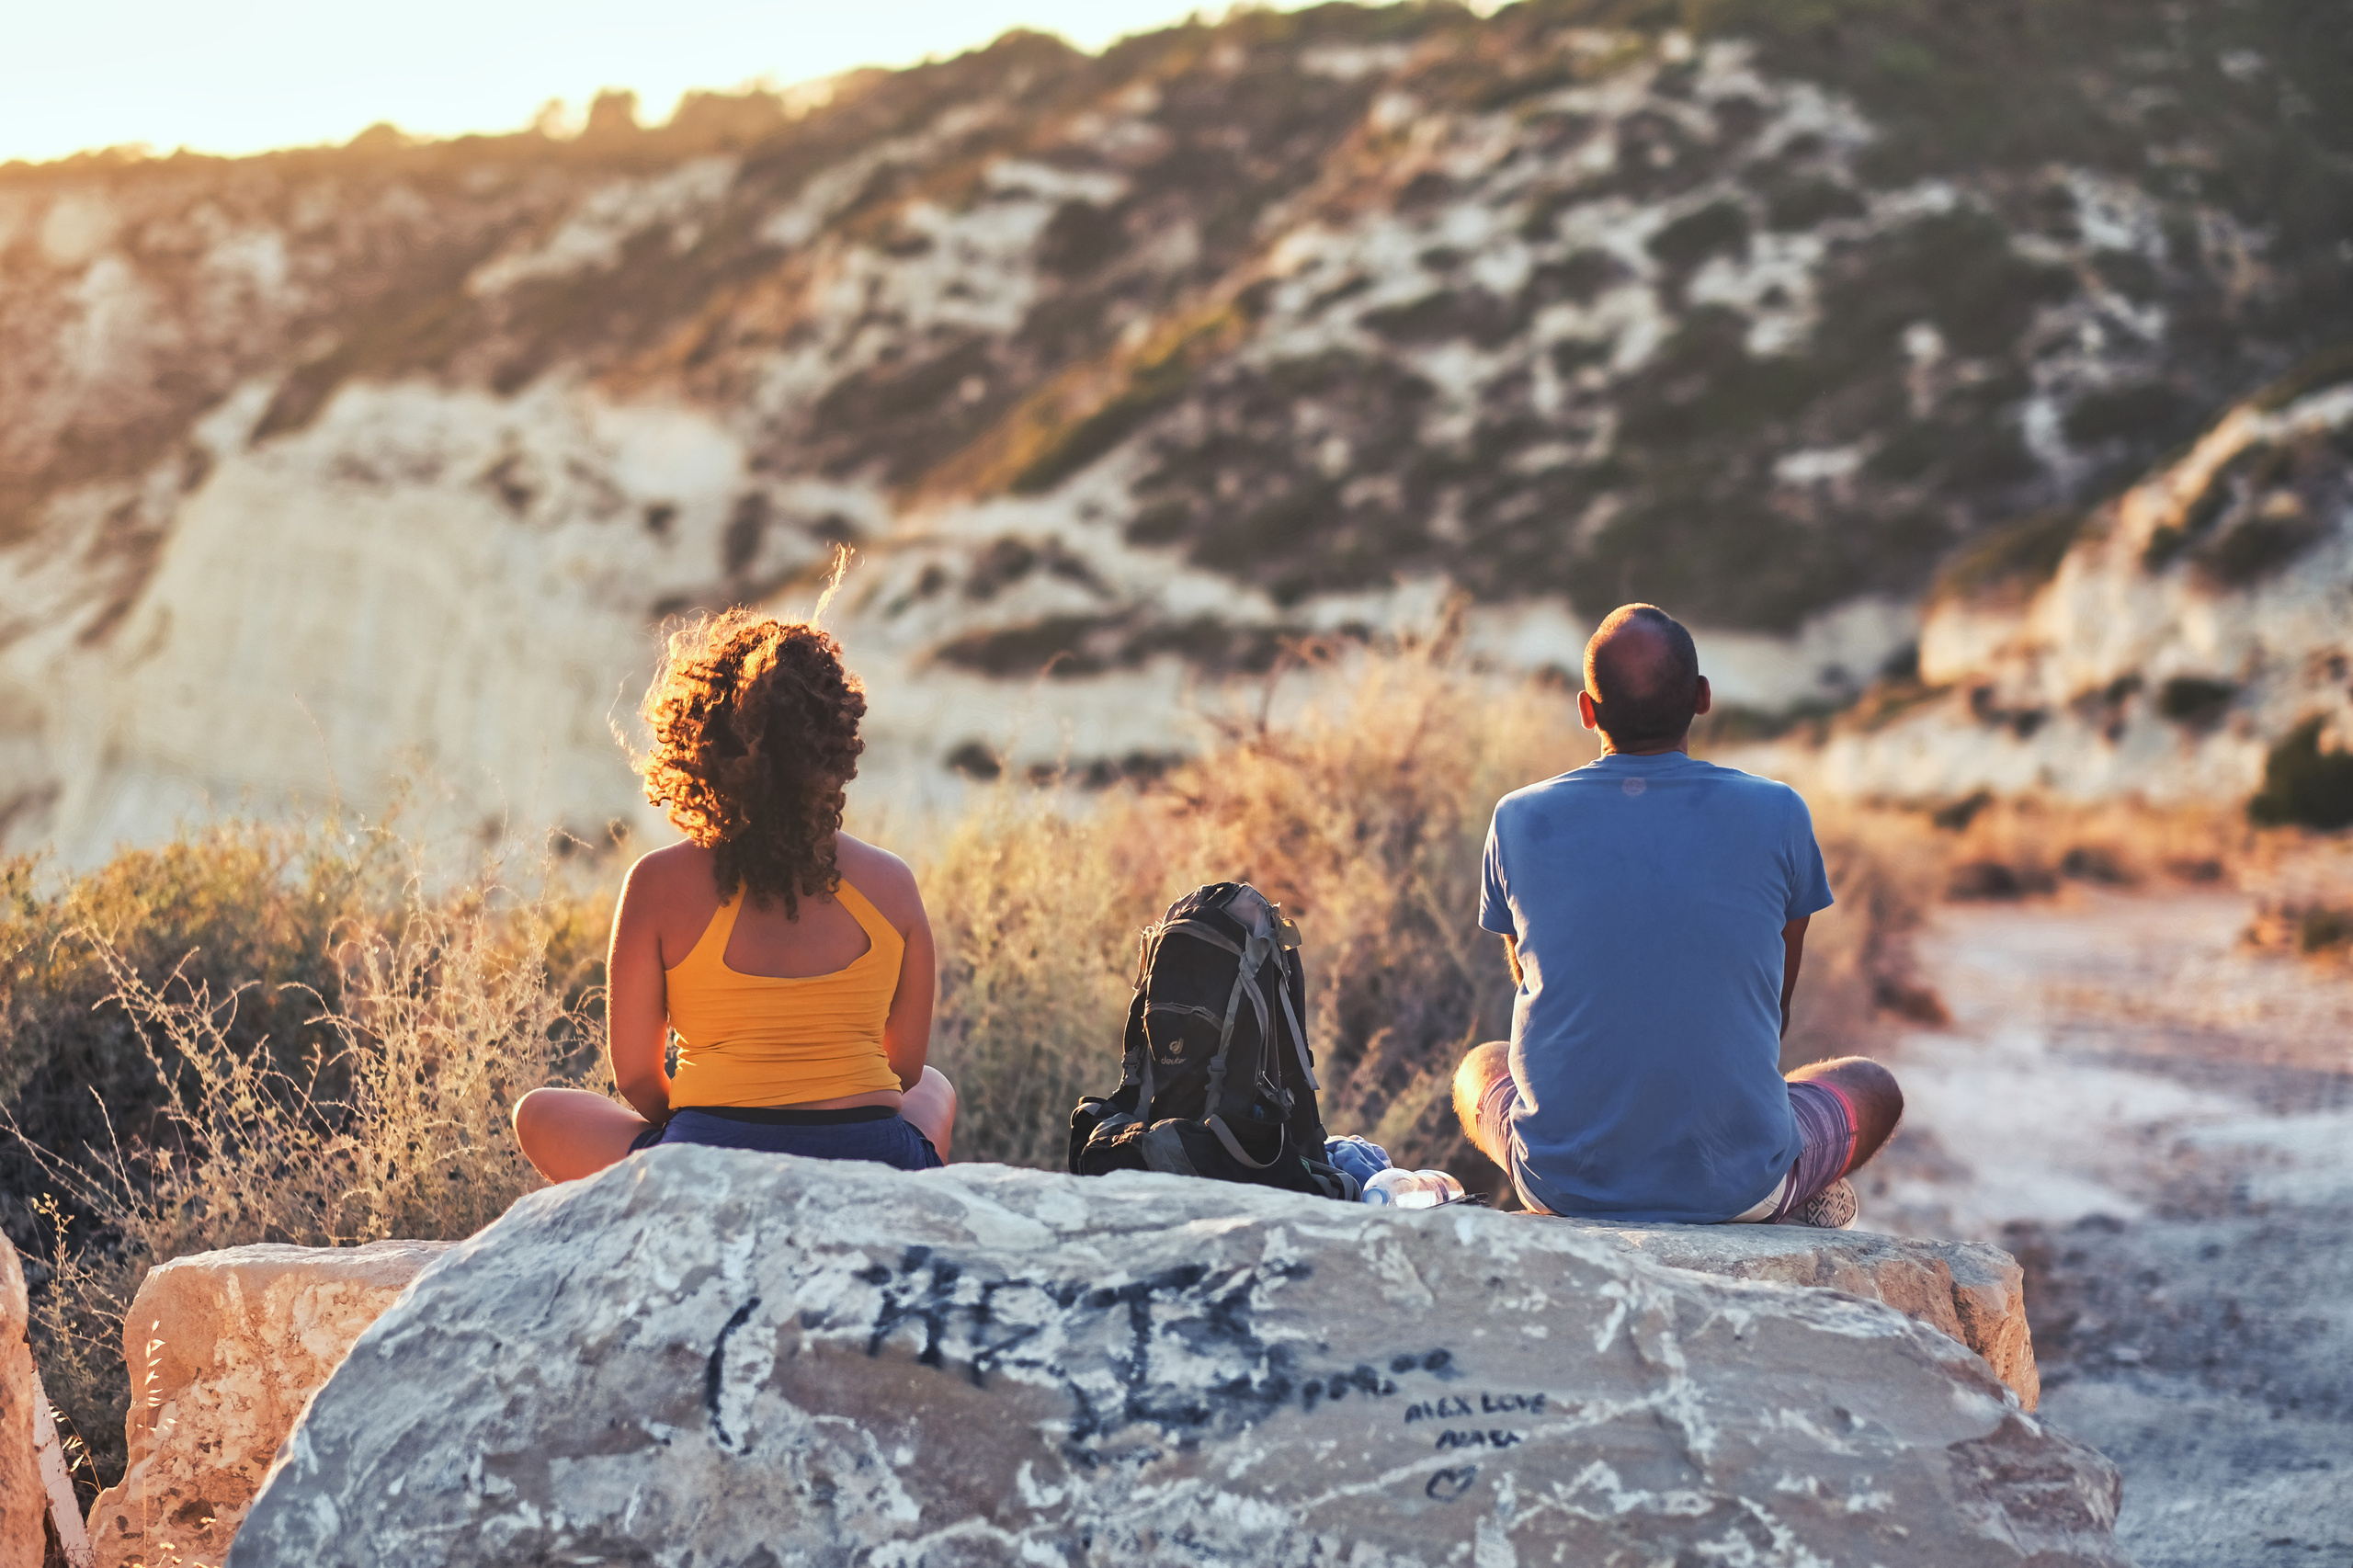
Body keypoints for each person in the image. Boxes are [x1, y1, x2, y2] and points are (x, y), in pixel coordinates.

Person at [1451, 603, 1901, 1227]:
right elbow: (1774, 1006)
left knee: (1480, 1067)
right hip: (1738, 1183)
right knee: (1873, 1086)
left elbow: (1529, 976)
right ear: (1702, 698)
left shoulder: (1517, 818)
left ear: (1587, 710)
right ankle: (1792, 1187)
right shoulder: (1779, 812)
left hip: (1560, 1186)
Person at [513, 610, 956, 1181]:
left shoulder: (656, 882)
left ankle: (674, 1187)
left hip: (709, 1160)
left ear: (698, 745)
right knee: (936, 1089)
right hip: (874, 1158)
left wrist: (704, 1133)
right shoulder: (892, 882)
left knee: (539, 1112)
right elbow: (906, 1070)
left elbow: (639, 1079)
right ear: (835, 744)